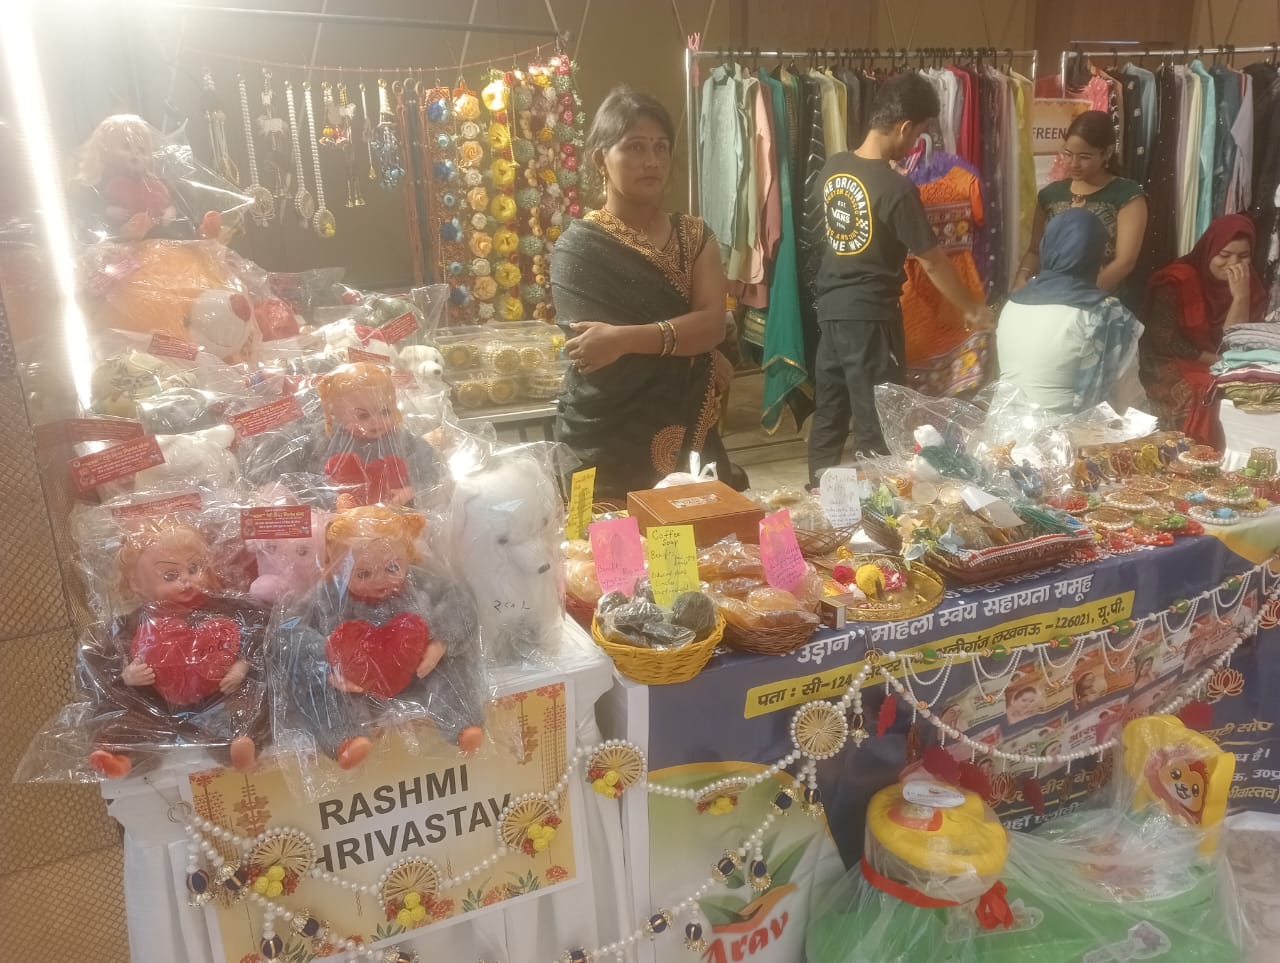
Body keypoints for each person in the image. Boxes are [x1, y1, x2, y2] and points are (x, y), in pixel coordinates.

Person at [808, 74, 994, 485]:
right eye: (919, 132)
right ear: (905, 126)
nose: (915, 144)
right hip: (872, 316)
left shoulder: (833, 167)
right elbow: (933, 261)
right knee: (877, 419)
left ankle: (816, 496)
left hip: (832, 311)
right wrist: (971, 308)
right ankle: (882, 507)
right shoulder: (896, 189)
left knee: (831, 412)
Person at [552, 87, 737, 497]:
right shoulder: (578, 249)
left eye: (661, 147)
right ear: (601, 159)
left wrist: (623, 340)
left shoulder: (694, 236)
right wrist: (696, 353)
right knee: (608, 539)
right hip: (605, 440)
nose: (652, 161)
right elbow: (595, 356)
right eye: (635, 147)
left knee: (704, 534)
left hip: (691, 436)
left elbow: (711, 327)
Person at [996, 208, 1145, 414]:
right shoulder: (1107, 314)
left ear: (1046, 247)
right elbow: (1129, 401)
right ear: (1096, 255)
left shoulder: (1012, 304)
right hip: (1065, 433)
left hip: (1002, 427)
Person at [1139, 213, 1267, 444]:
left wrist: (1240, 297)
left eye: (1243, 256)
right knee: (1205, 389)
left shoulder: (1251, 287)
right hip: (1170, 358)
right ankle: (1195, 454)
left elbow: (1234, 345)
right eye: (1224, 255)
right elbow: (1165, 341)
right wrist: (1218, 361)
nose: (1233, 264)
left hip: (1225, 360)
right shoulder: (1176, 280)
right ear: (1209, 250)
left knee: (1255, 391)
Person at [1015, 111, 1148, 303]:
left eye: (1084, 157)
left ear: (1107, 153)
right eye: (1068, 154)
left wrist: (1078, 298)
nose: (1074, 163)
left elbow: (1124, 263)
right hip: (1049, 299)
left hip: (1100, 302)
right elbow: (1035, 251)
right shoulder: (1051, 195)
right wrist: (1022, 276)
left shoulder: (1126, 195)